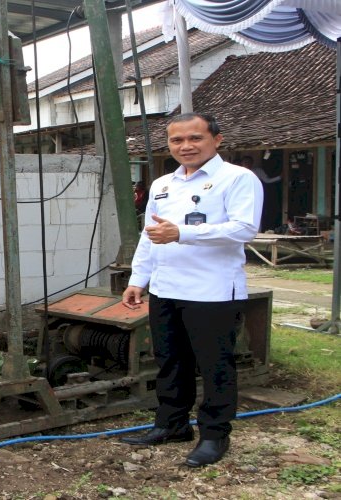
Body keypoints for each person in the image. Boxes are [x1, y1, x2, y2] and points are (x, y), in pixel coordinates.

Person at [120, 113, 263, 467]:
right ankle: (172, 424)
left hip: (212, 290)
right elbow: (149, 236)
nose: (186, 146)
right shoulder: (162, 184)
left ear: (217, 139)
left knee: (215, 364)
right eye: (177, 140)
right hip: (166, 287)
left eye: (195, 138)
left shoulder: (237, 178)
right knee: (170, 360)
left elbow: (244, 228)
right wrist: (138, 279)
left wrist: (183, 233)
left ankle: (214, 434)